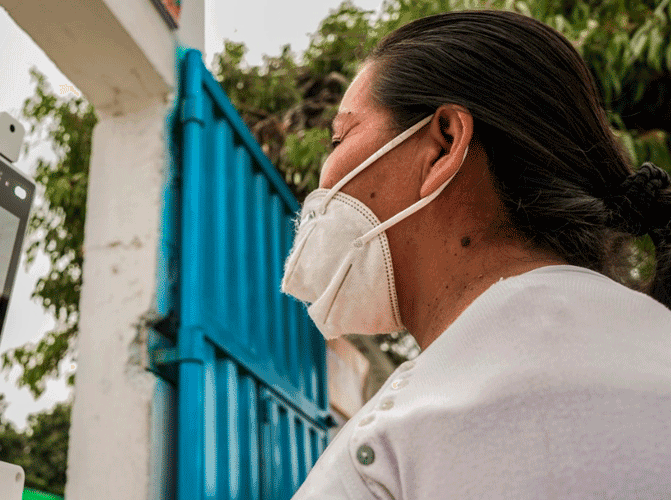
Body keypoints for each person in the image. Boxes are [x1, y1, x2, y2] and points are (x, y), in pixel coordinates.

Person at [280, 10, 671, 499]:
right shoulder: (645, 346)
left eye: (340, 137)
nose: (324, 180)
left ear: (444, 144)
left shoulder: (441, 416)